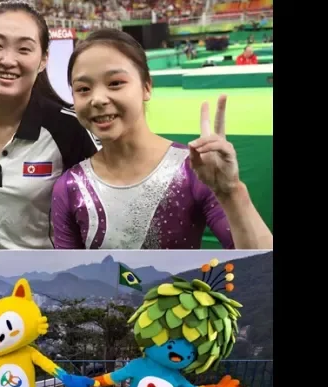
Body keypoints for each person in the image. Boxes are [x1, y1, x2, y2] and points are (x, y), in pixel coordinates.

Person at [51, 29, 273, 250]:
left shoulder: (193, 170)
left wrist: (231, 191)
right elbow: (70, 276)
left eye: (115, 83)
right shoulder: (69, 187)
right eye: (83, 89)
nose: (97, 99)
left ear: (147, 87)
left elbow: (261, 268)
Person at [0, 0, 99, 249]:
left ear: (43, 60)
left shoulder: (68, 129)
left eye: (24, 49)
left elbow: (90, 217)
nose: (8, 60)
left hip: (45, 280)